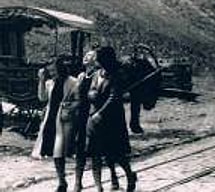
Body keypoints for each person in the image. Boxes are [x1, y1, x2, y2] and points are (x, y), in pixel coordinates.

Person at [87, 46, 137, 192]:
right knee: (96, 153)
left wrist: (100, 114)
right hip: (94, 118)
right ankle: (100, 186)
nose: (95, 60)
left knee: (116, 153)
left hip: (111, 119)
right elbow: (90, 90)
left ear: (105, 59)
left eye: (98, 58)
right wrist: (92, 95)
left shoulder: (117, 75)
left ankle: (129, 174)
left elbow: (114, 97)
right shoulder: (97, 74)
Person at [32, 56, 80, 192]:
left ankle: (74, 181)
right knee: (55, 151)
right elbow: (42, 98)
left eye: (54, 71)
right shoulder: (49, 83)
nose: (52, 74)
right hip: (51, 119)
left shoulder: (72, 82)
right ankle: (62, 181)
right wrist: (41, 81)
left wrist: (69, 107)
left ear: (61, 69)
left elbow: (79, 100)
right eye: (50, 72)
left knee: (62, 150)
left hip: (65, 119)